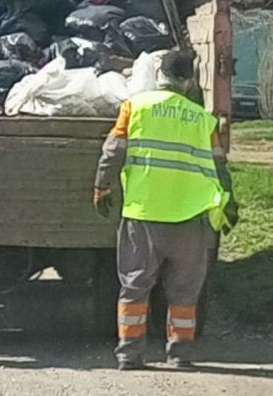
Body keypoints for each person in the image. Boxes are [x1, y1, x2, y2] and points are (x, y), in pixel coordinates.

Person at [93, 50, 238, 371]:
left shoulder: (134, 107)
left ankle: (129, 354)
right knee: (185, 293)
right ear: (188, 82)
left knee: (134, 287)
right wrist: (229, 202)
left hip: (143, 215)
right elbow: (219, 167)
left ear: (158, 75)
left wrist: (102, 185)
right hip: (190, 218)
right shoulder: (204, 120)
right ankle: (180, 354)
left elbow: (113, 150)